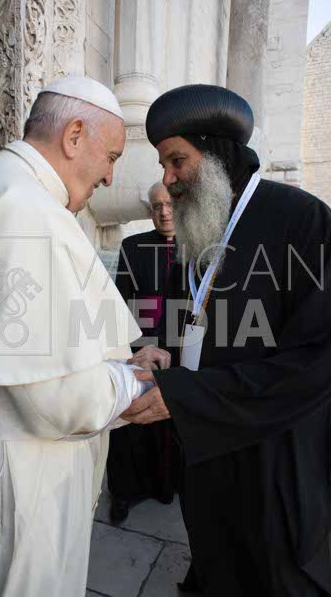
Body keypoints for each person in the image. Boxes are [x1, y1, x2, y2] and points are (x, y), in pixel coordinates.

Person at [0, 76, 154, 597]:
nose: (110, 176)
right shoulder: (30, 210)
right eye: (111, 157)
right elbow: (59, 395)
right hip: (13, 481)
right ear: (74, 136)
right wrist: (133, 384)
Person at [123, 84, 331, 596]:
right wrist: (165, 350)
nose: (167, 179)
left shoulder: (303, 220)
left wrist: (186, 396)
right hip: (205, 441)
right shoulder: (203, 223)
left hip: (271, 450)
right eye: (163, 165)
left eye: (177, 161)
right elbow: (193, 311)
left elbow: (317, 359)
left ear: (216, 152)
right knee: (215, 552)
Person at [107, 182, 181, 523]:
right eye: (156, 206)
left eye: (170, 204)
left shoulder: (200, 245)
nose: (164, 212)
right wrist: (138, 349)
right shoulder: (133, 246)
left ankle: (167, 486)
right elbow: (121, 304)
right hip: (141, 349)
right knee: (131, 423)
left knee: (170, 425)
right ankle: (124, 493)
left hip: (180, 352)